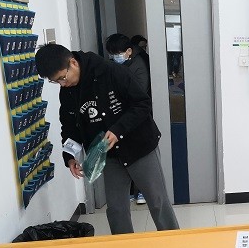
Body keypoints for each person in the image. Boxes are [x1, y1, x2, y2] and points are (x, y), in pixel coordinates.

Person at [35, 43, 179, 234]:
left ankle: (174, 244)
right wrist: (69, 156)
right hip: (108, 154)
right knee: (116, 209)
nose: (62, 84)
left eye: (62, 78)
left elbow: (142, 104)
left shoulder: (111, 72)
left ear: (73, 63)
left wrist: (118, 130)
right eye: (56, 82)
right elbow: (69, 125)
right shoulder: (68, 91)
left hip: (139, 146)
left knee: (157, 201)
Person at [105, 33, 151, 205]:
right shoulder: (112, 66)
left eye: (118, 54)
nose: (114, 57)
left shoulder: (139, 65)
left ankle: (141, 191)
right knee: (123, 157)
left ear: (129, 51)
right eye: (112, 54)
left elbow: (139, 93)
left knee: (139, 157)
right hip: (119, 120)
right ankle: (130, 191)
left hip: (136, 118)